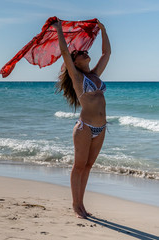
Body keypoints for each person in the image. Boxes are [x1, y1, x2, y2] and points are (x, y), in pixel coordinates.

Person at [52, 19, 111, 219]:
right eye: (79, 53)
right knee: (79, 166)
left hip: (101, 128)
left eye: (84, 52)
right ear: (75, 62)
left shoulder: (95, 75)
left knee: (88, 166)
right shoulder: (78, 79)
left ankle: (82, 204)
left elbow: (106, 54)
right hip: (84, 128)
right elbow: (65, 52)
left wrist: (103, 29)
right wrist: (59, 29)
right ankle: (76, 206)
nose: (85, 52)